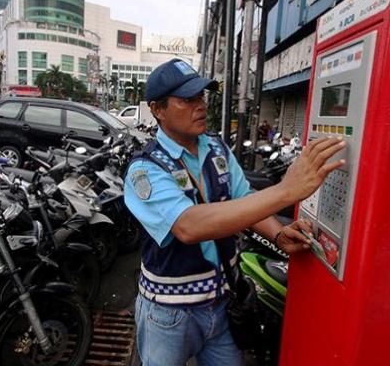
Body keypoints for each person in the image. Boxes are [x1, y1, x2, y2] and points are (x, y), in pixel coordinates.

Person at [124, 58, 346, 366]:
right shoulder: (145, 169)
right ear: (158, 109)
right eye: (187, 100)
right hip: (169, 313)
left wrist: (278, 233)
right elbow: (188, 226)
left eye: (201, 96)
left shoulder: (217, 149)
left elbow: (244, 199)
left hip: (223, 302)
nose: (200, 106)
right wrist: (285, 191)